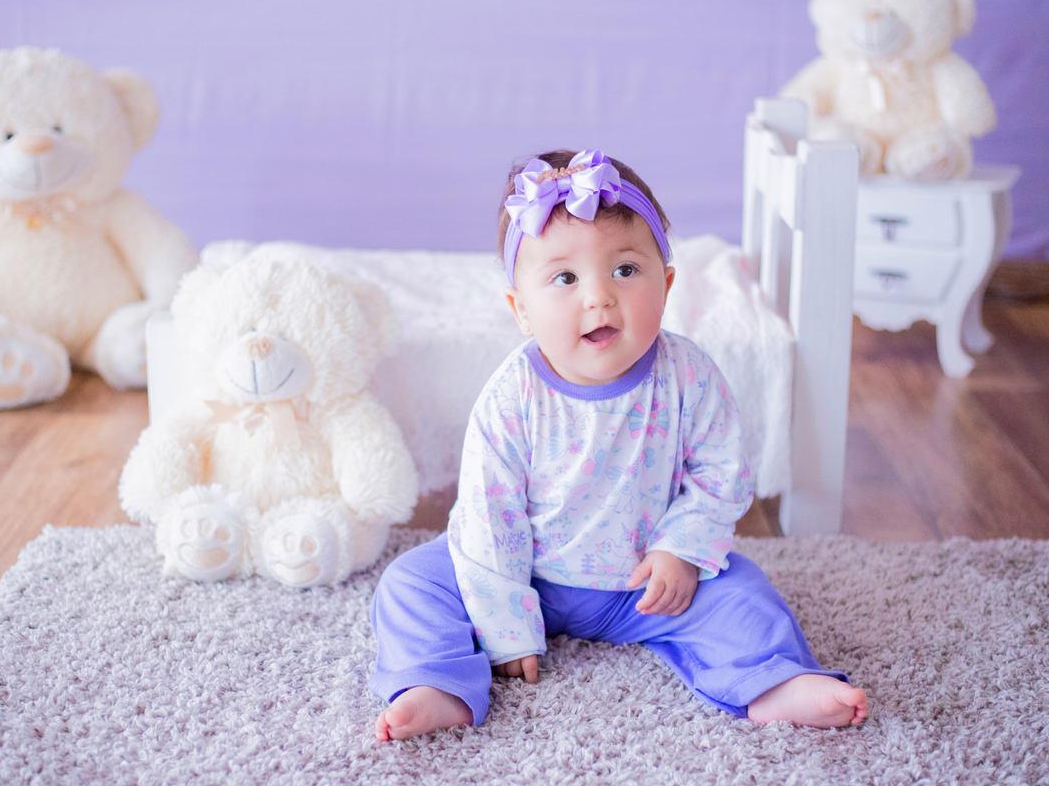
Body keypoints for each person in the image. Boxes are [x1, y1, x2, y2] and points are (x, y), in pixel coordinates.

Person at [369, 149, 868, 741]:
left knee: (743, 593)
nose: (599, 297)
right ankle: (435, 683)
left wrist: (681, 551)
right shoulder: (512, 396)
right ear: (521, 310)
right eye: (565, 278)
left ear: (668, 283)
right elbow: (488, 515)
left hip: (645, 584)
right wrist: (504, 624)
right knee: (411, 583)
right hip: (528, 574)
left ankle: (776, 679)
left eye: (626, 270)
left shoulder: (689, 376)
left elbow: (721, 473)